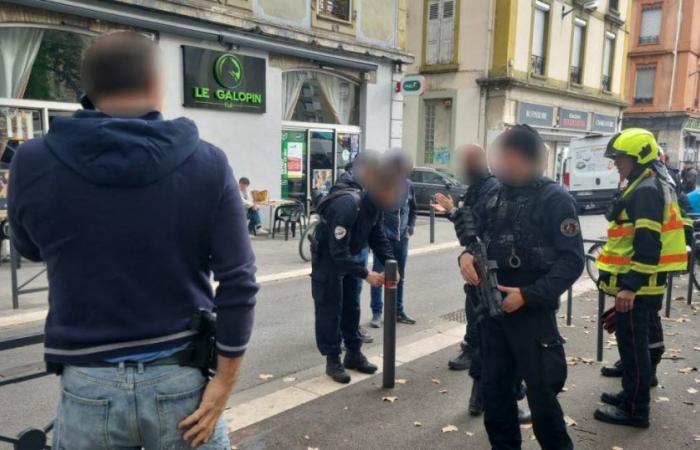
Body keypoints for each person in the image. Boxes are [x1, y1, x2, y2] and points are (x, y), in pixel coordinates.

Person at [7, 32, 258, 449]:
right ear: (157, 86)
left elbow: (30, 246)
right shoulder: (208, 162)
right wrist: (224, 384)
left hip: (88, 381)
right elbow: (240, 280)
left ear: (86, 90)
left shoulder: (32, 161)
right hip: (181, 378)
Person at [458, 125, 584, 449]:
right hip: (493, 314)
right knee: (496, 398)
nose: (498, 165)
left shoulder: (555, 199)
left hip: (532, 318)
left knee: (543, 404)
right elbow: (479, 240)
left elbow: (572, 261)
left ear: (525, 158)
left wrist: (528, 295)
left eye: (505, 158)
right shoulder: (495, 194)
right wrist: (466, 257)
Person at [594, 128, 687, 428]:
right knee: (634, 345)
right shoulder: (644, 183)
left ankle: (635, 409)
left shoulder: (645, 189)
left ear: (638, 158)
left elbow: (648, 244)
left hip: (638, 285)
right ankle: (629, 396)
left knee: (633, 348)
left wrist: (630, 287)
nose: (617, 164)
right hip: (642, 283)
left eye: (621, 158)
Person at [310, 151, 400, 384]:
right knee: (330, 309)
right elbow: (337, 252)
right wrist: (366, 274)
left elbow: (377, 235)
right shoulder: (348, 205)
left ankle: (353, 353)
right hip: (329, 260)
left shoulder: (375, 205)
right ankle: (333, 360)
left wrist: (392, 264)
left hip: (350, 258)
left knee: (352, 307)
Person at [434, 144, 499, 374]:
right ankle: (473, 348)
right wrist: (453, 212)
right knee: (473, 305)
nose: (465, 167)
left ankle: (477, 353)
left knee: (483, 310)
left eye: (469, 162)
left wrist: (455, 211)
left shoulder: (491, 188)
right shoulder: (475, 187)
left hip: (486, 258)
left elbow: (480, 226)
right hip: (473, 256)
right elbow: (468, 225)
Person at [369, 150, 418, 328]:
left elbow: (413, 209)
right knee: (379, 276)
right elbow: (373, 212)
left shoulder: (409, 186)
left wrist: (410, 228)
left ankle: (398, 310)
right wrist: (377, 234)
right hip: (384, 241)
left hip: (402, 240)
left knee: (400, 277)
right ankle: (377, 313)